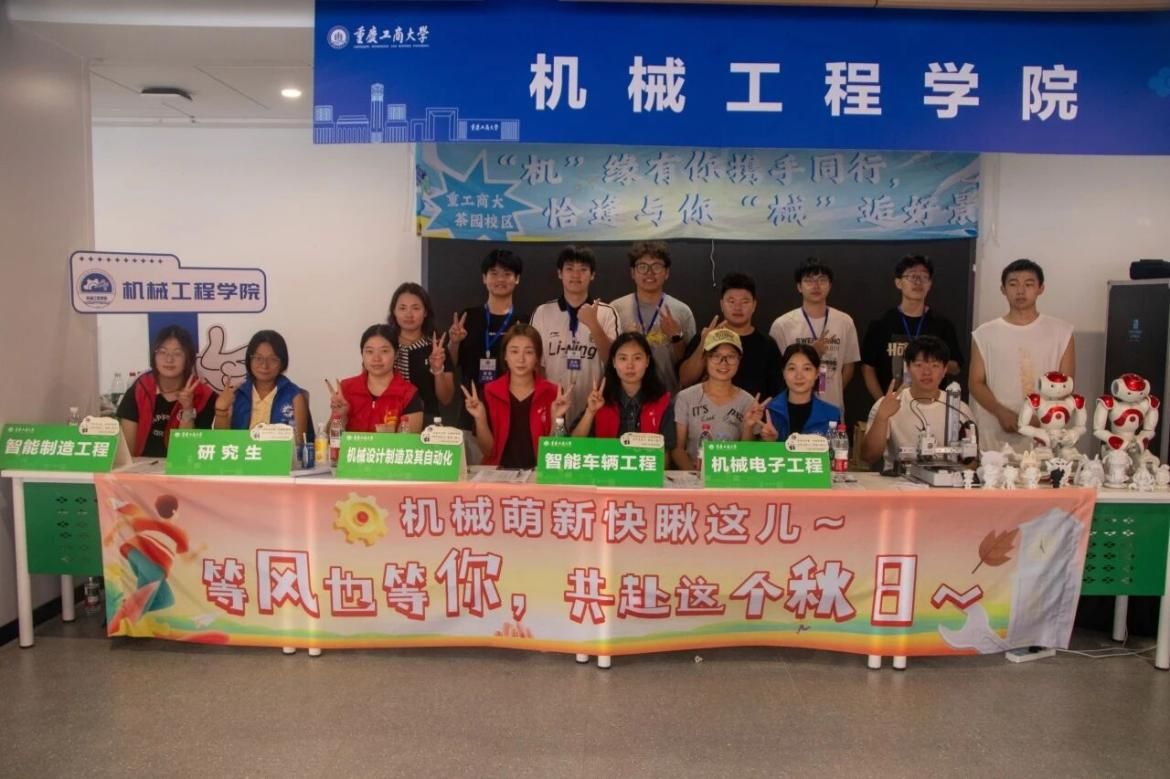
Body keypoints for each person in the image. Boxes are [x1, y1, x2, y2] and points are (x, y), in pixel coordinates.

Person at [969, 259, 1075, 451]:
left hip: (1045, 430)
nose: (1020, 291)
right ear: (1003, 289)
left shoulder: (1061, 332)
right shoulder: (985, 333)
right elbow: (975, 382)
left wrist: (1043, 416)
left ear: (1040, 288)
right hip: (996, 430)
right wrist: (1000, 412)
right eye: (1013, 284)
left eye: (1028, 284)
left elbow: (1067, 384)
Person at [531, 245, 620, 425]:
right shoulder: (542, 312)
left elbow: (614, 361)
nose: (576, 275)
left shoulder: (607, 313)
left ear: (592, 275)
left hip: (594, 406)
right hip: (551, 406)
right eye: (570, 269)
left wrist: (594, 324)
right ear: (560, 273)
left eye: (583, 270)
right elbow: (535, 363)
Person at [461, 324, 569, 468]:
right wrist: (480, 418)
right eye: (514, 351)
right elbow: (488, 451)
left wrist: (556, 421)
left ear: (537, 357)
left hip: (539, 473)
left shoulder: (554, 394)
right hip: (498, 473)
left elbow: (554, 453)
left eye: (529, 352)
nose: (521, 359)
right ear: (505, 355)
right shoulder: (490, 392)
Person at [861, 336, 973, 472]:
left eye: (935, 365)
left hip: (947, 481)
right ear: (907, 368)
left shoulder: (960, 409)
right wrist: (881, 417)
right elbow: (868, 457)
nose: (926, 372)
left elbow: (972, 462)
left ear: (944, 370)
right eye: (919, 365)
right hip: (897, 481)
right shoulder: (887, 404)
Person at [860, 255, 964, 401]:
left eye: (924, 277)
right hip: (893, 403)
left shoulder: (942, 325)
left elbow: (956, 367)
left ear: (930, 284)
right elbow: (868, 368)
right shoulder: (881, 325)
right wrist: (883, 402)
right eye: (912, 276)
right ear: (898, 283)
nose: (918, 282)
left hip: (932, 404)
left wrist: (933, 361)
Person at [447, 249, 528, 433]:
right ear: (484, 278)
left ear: (517, 279)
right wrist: (455, 342)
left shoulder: (524, 321)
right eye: (494, 273)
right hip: (471, 408)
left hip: (511, 410)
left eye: (507, 274)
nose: (500, 279)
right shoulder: (468, 317)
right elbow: (451, 363)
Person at [769, 258, 860, 415]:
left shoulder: (845, 322)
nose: (816, 286)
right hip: (793, 406)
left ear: (830, 285)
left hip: (832, 406)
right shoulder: (782, 325)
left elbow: (849, 367)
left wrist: (829, 391)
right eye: (809, 281)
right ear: (799, 286)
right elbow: (776, 370)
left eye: (822, 280)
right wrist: (812, 353)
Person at [671, 329, 767, 471]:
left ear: (739, 360)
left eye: (731, 357)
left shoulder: (748, 402)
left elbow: (747, 454)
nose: (724, 363)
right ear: (705, 358)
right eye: (716, 356)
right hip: (693, 477)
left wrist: (748, 427)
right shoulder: (686, 397)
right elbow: (677, 449)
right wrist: (696, 476)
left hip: (731, 478)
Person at [609, 241, 696, 396]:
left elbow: (690, 367)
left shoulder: (682, 311)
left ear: (666, 272)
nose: (649, 272)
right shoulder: (615, 309)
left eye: (656, 266)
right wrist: (624, 340)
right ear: (632, 272)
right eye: (642, 266)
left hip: (669, 398)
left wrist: (676, 337)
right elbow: (606, 359)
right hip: (624, 399)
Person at [679, 272, 783, 400]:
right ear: (722, 304)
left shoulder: (768, 344)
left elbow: (777, 391)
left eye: (744, 302)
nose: (737, 307)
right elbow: (685, 380)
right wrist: (703, 344)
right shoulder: (706, 336)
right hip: (709, 411)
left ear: (754, 305)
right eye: (731, 301)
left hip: (754, 411)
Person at [117, 325, 217, 457]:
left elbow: (189, 453)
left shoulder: (204, 395)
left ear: (188, 358)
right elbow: (127, 452)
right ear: (154, 355)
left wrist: (188, 409)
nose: (169, 359)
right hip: (142, 467)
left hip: (181, 467)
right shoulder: (140, 389)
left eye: (177, 353)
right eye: (162, 352)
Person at [571, 332, 676, 452]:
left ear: (647, 361)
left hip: (645, 464)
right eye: (623, 358)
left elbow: (667, 452)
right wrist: (590, 412)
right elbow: (574, 445)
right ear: (614, 362)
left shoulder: (662, 402)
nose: (630, 365)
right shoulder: (600, 400)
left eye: (637, 358)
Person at [213, 329, 311, 444]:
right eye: (258, 358)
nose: (264, 365)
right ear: (249, 360)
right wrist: (221, 411)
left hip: (277, 455)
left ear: (282, 363)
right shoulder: (236, 394)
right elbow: (220, 442)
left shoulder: (294, 396)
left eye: (273, 359)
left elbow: (300, 445)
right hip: (243, 454)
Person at [327, 324, 424, 433]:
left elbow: (408, 442)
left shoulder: (408, 394)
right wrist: (339, 416)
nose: (376, 358)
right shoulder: (346, 388)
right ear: (362, 354)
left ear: (396, 354)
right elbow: (329, 439)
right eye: (370, 351)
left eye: (384, 351)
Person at [387, 282, 455, 423]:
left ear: (425, 312)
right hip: (389, 420)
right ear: (394, 311)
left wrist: (438, 370)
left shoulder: (436, 347)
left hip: (427, 422)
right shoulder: (385, 344)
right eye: (402, 308)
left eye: (416, 308)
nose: (409, 314)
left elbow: (446, 399)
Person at [762, 344, 842, 442]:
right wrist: (771, 442)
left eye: (806, 369)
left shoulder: (832, 414)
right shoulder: (770, 410)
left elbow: (838, 450)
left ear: (817, 373)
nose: (799, 376)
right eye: (792, 368)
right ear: (783, 373)